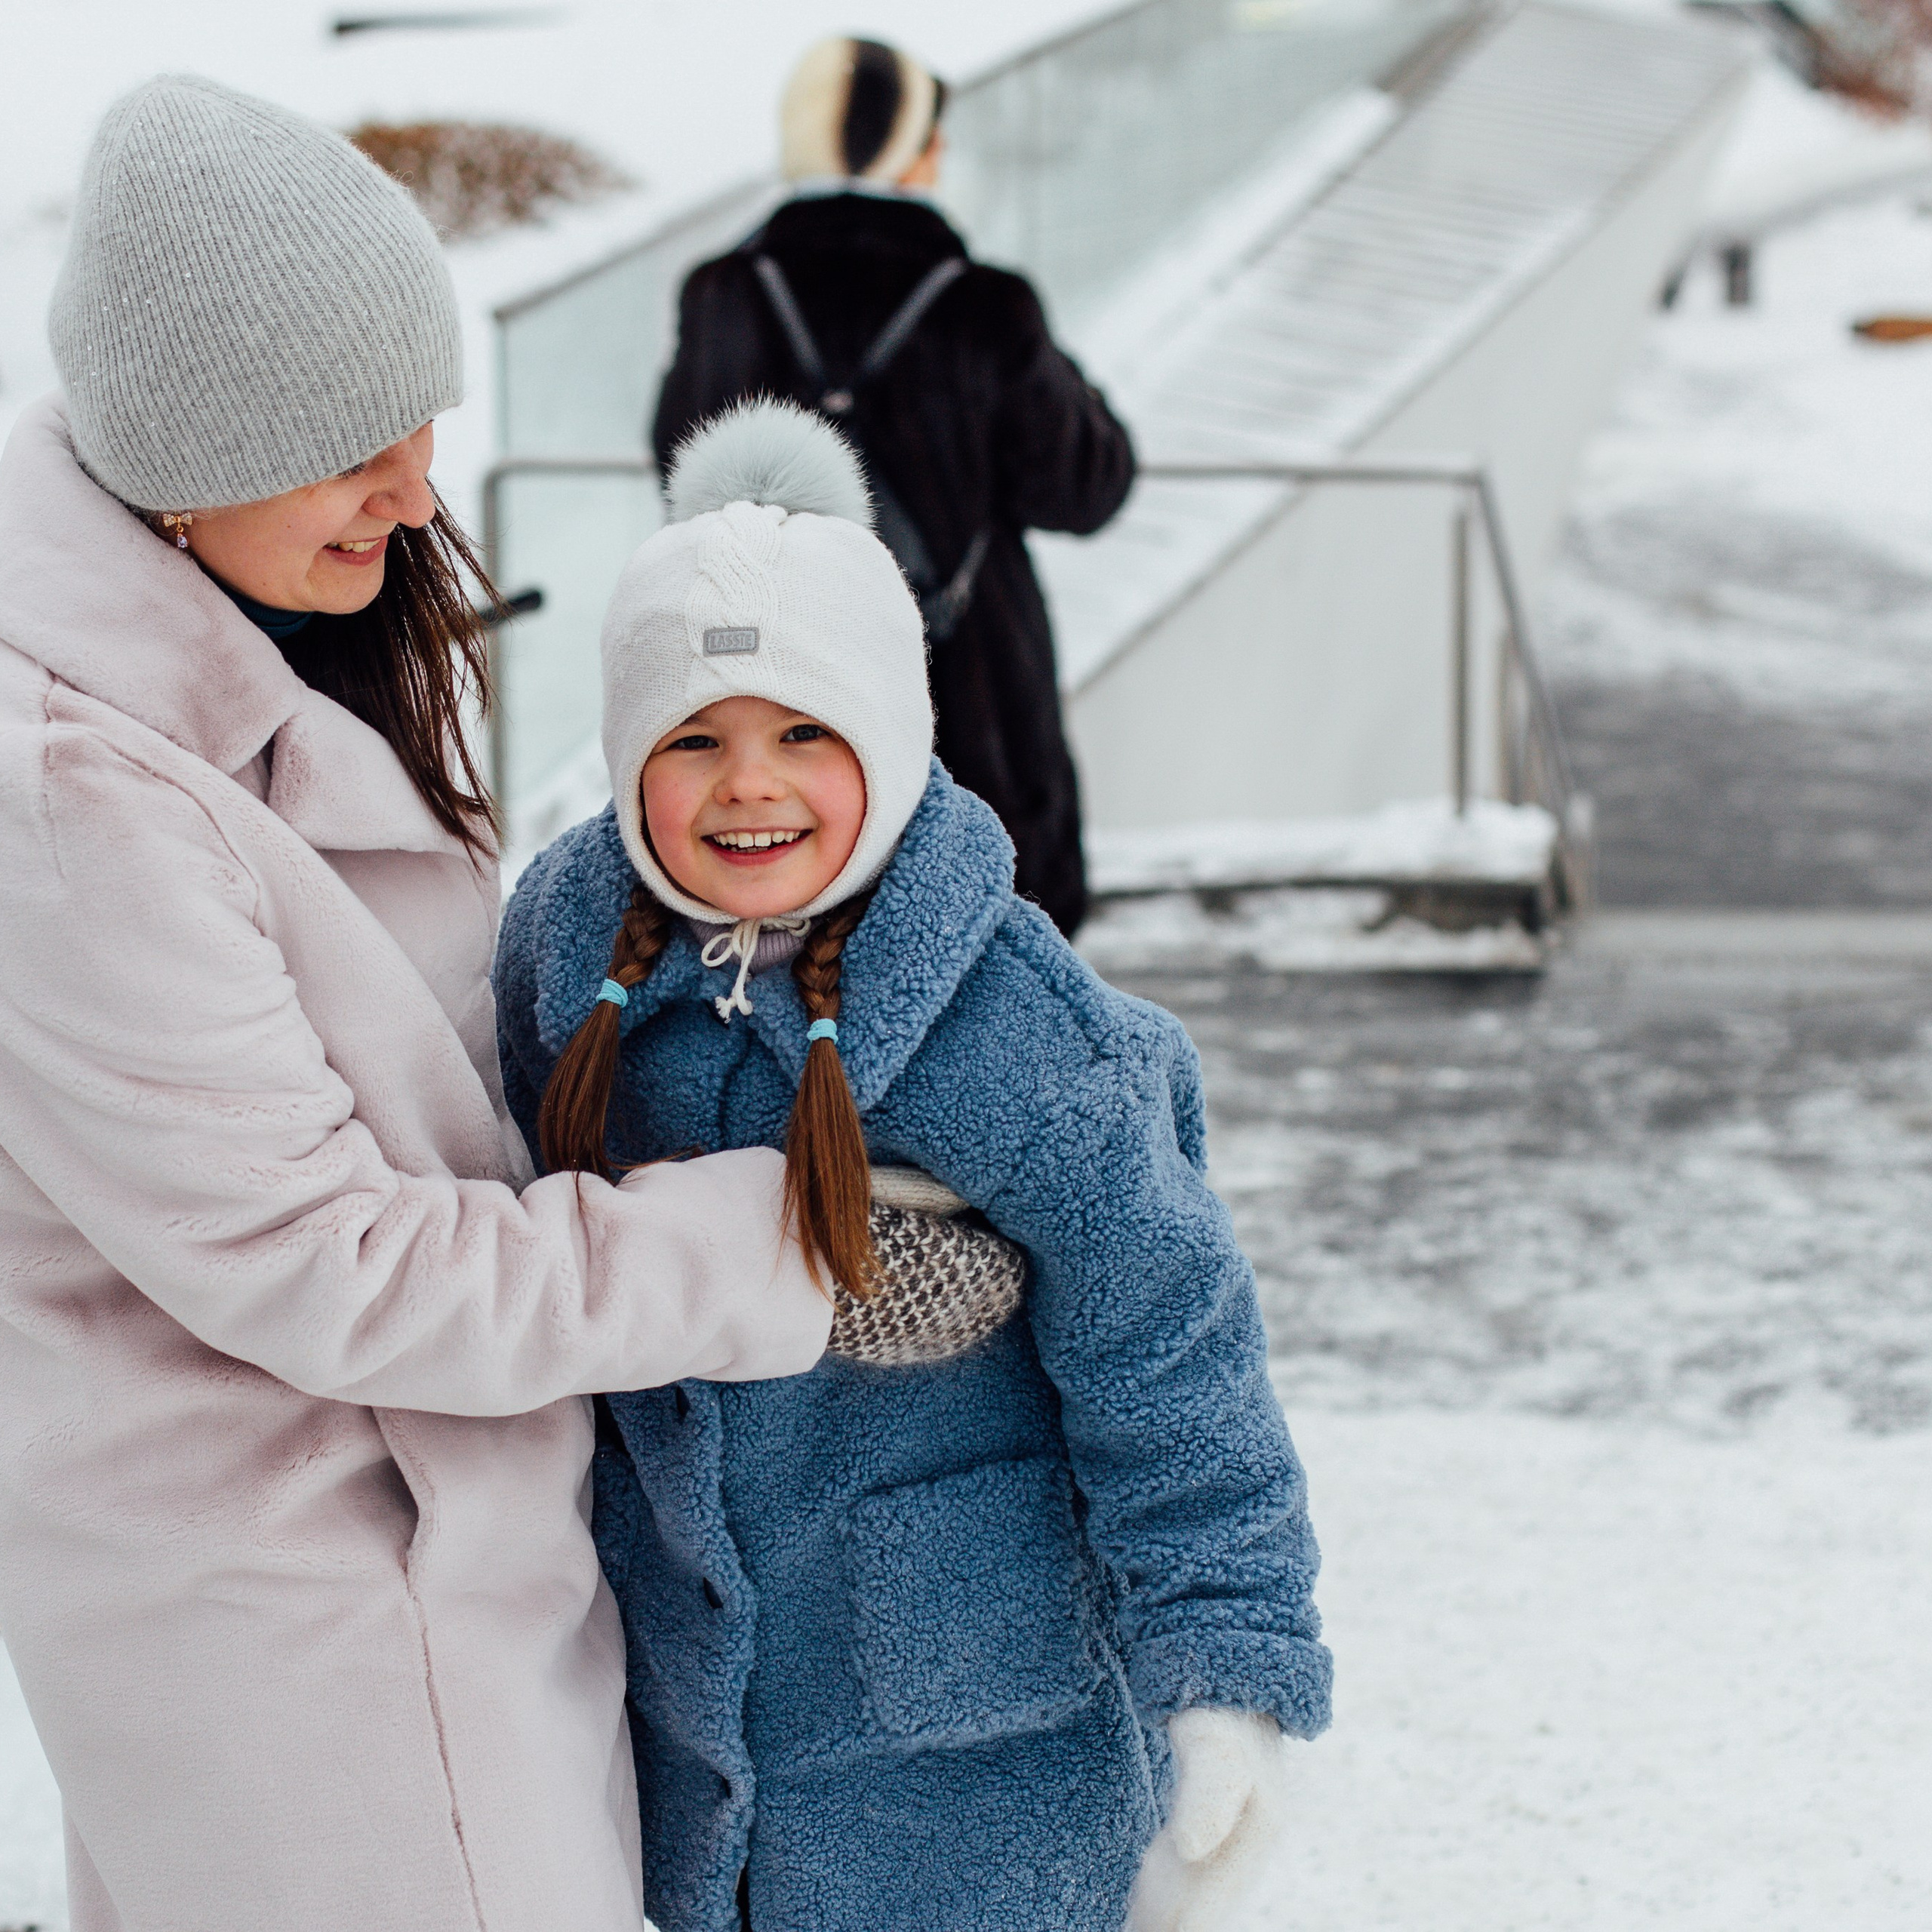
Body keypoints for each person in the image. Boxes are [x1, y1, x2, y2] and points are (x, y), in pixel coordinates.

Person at [0, 79, 851, 1932]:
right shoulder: (65, 796)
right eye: (345, 443)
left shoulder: (252, 641)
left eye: (419, 417)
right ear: (181, 451)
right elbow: (330, 1260)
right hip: (303, 1636)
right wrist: (775, 1237)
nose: (414, 487)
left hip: (422, 1572)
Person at [494, 401, 1329, 1932]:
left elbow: (1170, 1350)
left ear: (886, 731)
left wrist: (1227, 1669)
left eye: (803, 730)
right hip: (677, 1727)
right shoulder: (565, 953)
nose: (752, 785)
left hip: (977, 1750)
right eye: (696, 739)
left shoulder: (1011, 1022)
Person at [652, 35, 1137, 937]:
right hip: (972, 695)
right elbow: (1086, 486)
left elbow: (684, 473)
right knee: (992, 963)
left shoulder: (726, 292)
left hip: (780, 693)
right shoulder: (982, 302)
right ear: (914, 153)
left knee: (795, 958)